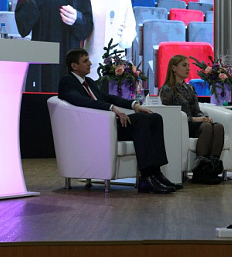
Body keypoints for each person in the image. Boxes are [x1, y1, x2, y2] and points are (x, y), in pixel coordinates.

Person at [58, 48, 180, 194]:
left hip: (108, 124)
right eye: (85, 61)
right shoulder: (67, 81)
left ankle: (156, 173)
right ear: (74, 66)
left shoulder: (88, 81)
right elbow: (80, 101)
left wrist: (134, 105)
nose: (90, 63)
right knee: (141, 120)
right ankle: (146, 178)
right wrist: (111, 108)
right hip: (96, 128)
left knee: (155, 118)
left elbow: (108, 97)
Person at [159, 55, 225, 183]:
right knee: (206, 127)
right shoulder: (166, 89)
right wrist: (195, 120)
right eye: (184, 65)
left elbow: (196, 110)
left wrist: (204, 117)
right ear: (174, 68)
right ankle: (200, 172)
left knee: (218, 127)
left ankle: (211, 169)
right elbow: (171, 114)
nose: (188, 68)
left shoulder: (190, 88)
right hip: (180, 125)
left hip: (194, 123)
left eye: (188, 65)